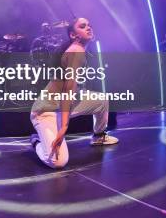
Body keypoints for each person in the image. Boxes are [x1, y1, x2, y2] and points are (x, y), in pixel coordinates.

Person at [30, 17, 118, 169]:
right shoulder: (76, 51)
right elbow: (67, 91)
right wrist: (64, 127)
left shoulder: (80, 50)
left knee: (101, 101)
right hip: (46, 110)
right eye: (83, 26)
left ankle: (98, 137)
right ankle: (36, 141)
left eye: (89, 25)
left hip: (64, 107)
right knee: (58, 162)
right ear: (73, 35)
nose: (89, 28)